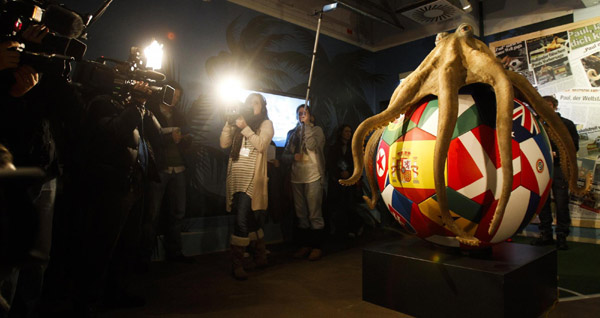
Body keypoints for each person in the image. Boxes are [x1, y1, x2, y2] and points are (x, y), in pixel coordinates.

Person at [74, 81, 161, 314]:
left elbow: (156, 133)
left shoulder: (134, 106)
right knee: (102, 245)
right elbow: (116, 133)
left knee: (127, 244)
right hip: (113, 184)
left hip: (134, 183)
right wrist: (134, 105)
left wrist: (143, 105)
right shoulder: (101, 103)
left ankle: (116, 293)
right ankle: (87, 300)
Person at [220, 93, 273, 280]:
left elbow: (261, 145)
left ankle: (238, 264)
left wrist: (246, 128)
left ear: (262, 106)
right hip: (236, 177)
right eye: (249, 102)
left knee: (241, 219)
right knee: (250, 220)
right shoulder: (238, 123)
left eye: (256, 103)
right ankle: (260, 255)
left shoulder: (266, 124)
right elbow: (224, 143)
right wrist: (229, 123)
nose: (252, 105)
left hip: (251, 179)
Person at [143, 81, 193, 263]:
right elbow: (148, 138)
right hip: (160, 168)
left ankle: (174, 253)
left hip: (179, 168)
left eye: (178, 97)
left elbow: (187, 138)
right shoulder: (151, 111)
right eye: (173, 95)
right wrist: (168, 138)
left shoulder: (179, 115)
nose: (175, 100)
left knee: (177, 213)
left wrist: (185, 140)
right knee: (152, 214)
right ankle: (144, 257)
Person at [531, 96, 579, 250]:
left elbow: (573, 147)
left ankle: (561, 236)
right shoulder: (536, 124)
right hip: (541, 168)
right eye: (542, 105)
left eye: (549, 105)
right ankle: (545, 234)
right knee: (542, 203)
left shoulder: (566, 125)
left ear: (555, 106)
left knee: (561, 202)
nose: (545, 108)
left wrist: (557, 153)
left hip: (559, 169)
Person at [283, 105, 326, 261]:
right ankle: (305, 245)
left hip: (313, 175)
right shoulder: (292, 133)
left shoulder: (317, 131)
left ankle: (317, 246)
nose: (302, 115)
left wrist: (306, 126)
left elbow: (311, 145)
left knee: (314, 213)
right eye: (299, 113)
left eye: (305, 113)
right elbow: (285, 156)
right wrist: (293, 157)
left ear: (311, 116)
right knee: (301, 214)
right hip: (296, 177)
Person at [326, 124, 363, 238]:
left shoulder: (354, 147)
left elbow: (357, 163)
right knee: (338, 206)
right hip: (337, 181)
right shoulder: (334, 148)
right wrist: (339, 174)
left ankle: (352, 229)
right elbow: (331, 164)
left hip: (350, 181)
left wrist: (351, 173)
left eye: (349, 132)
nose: (348, 134)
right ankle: (339, 231)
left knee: (350, 206)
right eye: (346, 131)